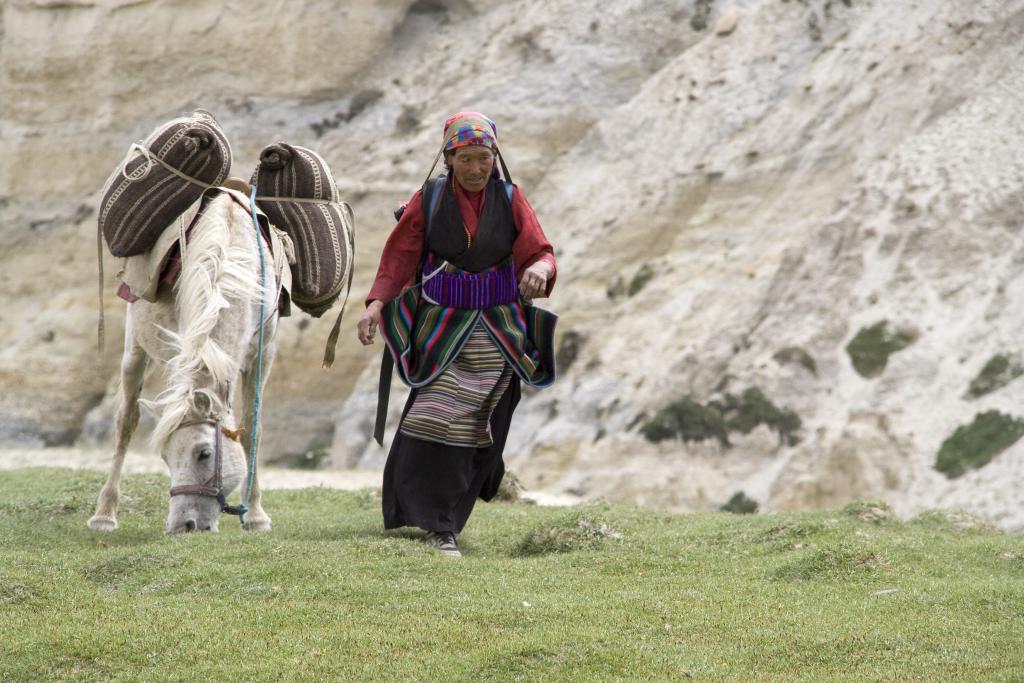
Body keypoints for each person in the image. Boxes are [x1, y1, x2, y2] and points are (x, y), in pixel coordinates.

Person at [356, 111, 558, 557]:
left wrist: (541, 270)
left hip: (500, 328)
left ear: (494, 157)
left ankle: (447, 517)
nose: (475, 168)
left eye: (483, 158)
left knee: (483, 423)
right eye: (465, 159)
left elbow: (538, 250)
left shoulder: (510, 198)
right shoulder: (427, 200)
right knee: (434, 415)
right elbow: (399, 259)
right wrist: (375, 305)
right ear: (448, 158)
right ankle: (437, 524)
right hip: (443, 328)